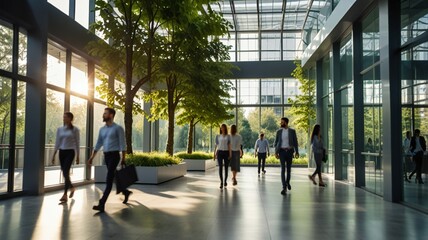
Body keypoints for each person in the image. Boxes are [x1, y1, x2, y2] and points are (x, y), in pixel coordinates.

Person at [88, 108, 132, 212]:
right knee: (113, 176)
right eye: (103, 113)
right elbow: (98, 144)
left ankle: (101, 203)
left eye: (105, 113)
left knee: (108, 179)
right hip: (106, 156)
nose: (103, 115)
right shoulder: (102, 129)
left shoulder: (118, 128)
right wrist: (91, 157)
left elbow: (122, 144)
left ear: (111, 115)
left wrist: (123, 158)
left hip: (114, 156)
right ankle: (125, 192)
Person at [51, 112, 80, 203]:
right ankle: (72, 188)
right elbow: (57, 142)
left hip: (70, 152)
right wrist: (54, 154)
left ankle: (65, 195)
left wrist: (78, 156)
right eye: (63, 117)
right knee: (64, 173)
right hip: (61, 152)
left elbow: (77, 143)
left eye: (65, 117)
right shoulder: (60, 129)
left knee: (66, 171)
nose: (63, 118)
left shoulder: (75, 130)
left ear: (70, 119)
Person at [274, 117, 299, 195]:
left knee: (288, 169)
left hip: (290, 151)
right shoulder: (279, 131)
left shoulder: (292, 131)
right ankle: (284, 187)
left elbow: (295, 142)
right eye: (280, 122)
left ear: (286, 123)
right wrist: (276, 152)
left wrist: (297, 152)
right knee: (282, 169)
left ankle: (287, 182)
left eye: (282, 122)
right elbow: (276, 142)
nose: (280, 123)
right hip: (281, 151)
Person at [214, 124, 231, 189]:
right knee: (220, 167)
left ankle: (225, 181)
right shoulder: (218, 136)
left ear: (225, 128)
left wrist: (230, 154)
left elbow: (229, 146)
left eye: (223, 127)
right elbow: (216, 145)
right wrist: (214, 154)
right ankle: (221, 182)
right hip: (219, 152)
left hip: (226, 152)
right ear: (220, 128)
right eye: (221, 127)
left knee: (226, 168)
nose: (222, 128)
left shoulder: (228, 136)